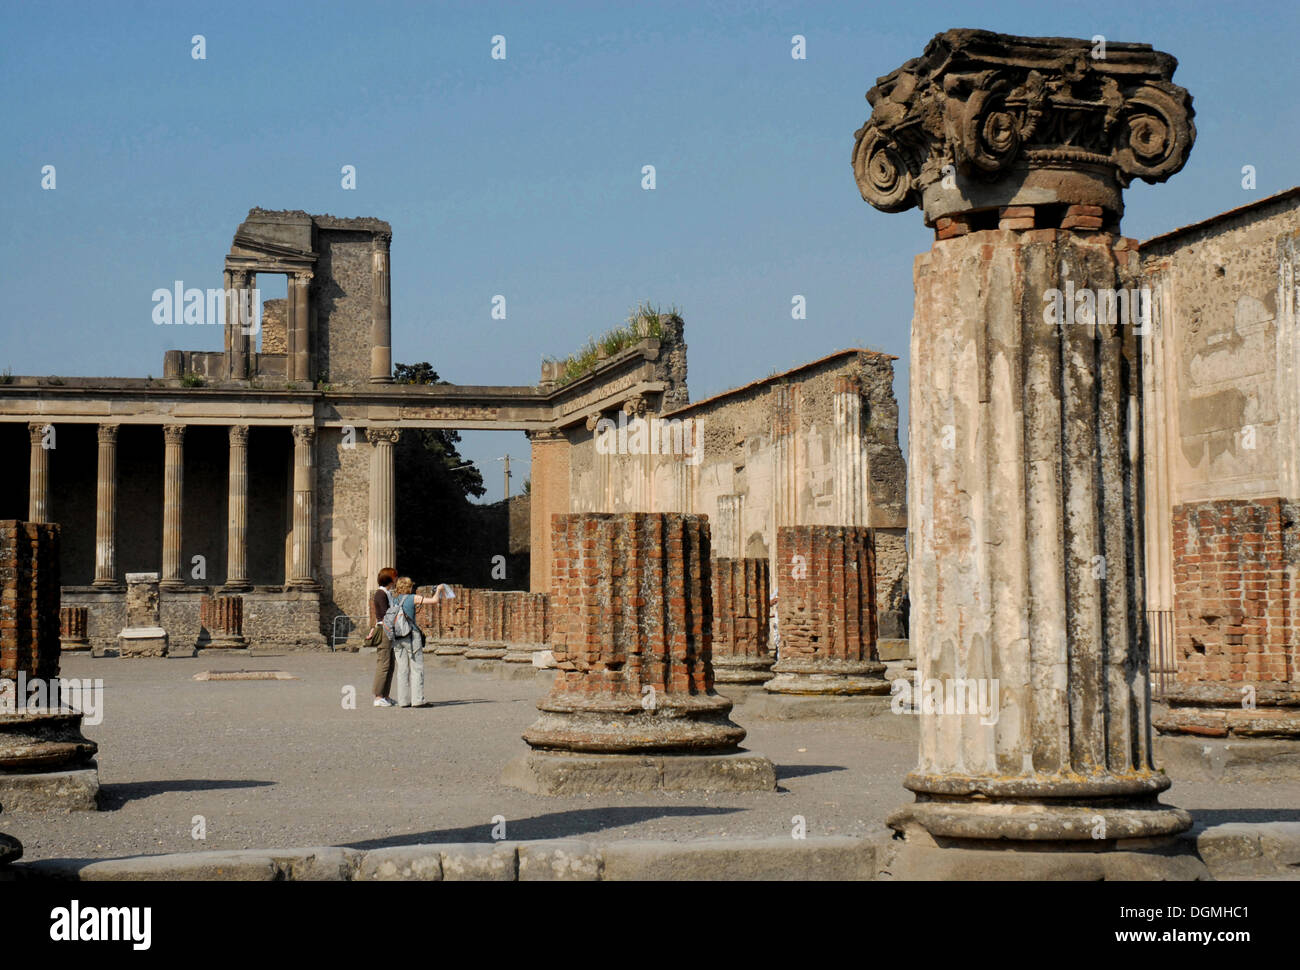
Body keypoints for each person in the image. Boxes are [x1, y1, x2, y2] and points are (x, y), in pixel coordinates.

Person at [386, 579, 452, 709]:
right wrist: (439, 590)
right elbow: (434, 601)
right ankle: (417, 700)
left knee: (402, 669)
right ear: (409, 587)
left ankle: (403, 700)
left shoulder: (393, 600)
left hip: (397, 637)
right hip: (411, 635)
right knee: (417, 667)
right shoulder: (412, 598)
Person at [369, 568, 398, 708]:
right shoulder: (380, 594)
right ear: (390, 578)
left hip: (389, 629)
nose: (396, 579)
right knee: (384, 664)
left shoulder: (387, 593)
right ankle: (378, 696)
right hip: (385, 629)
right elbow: (384, 614)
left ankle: (385, 695)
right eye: (395, 576)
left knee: (391, 664)